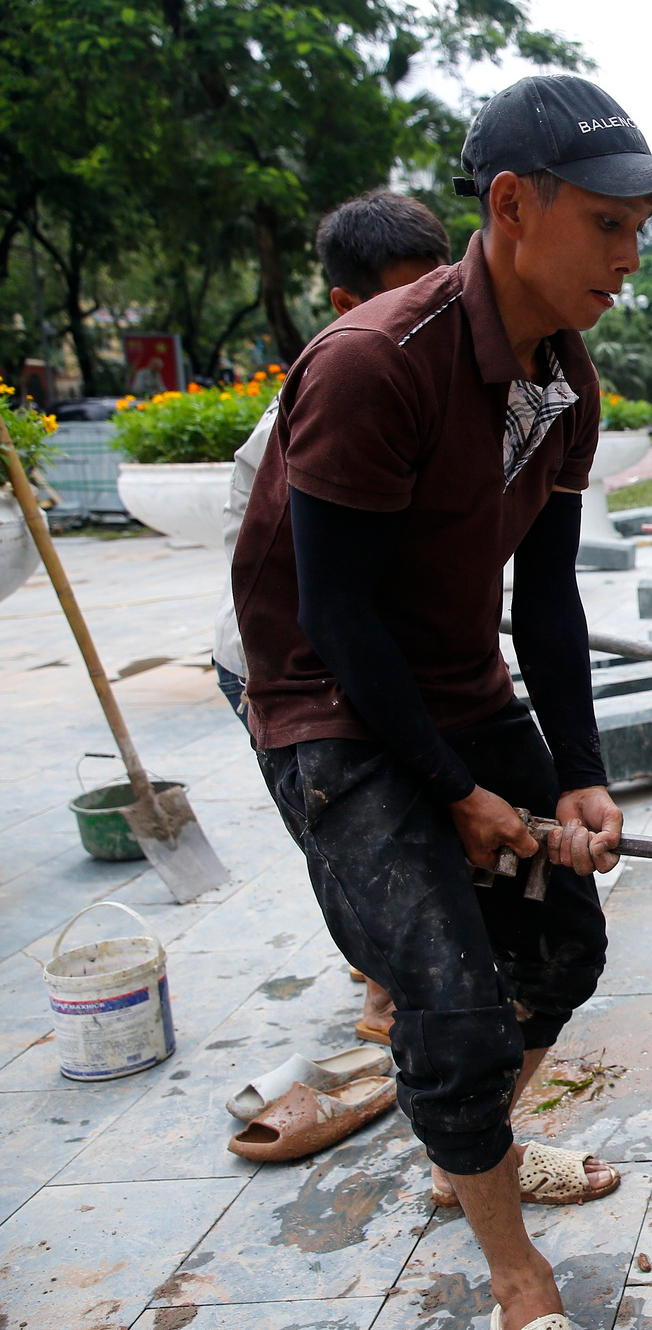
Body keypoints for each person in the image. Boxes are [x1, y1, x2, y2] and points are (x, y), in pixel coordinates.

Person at [231, 75, 652, 1330]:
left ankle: (468, 1146)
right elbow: (332, 621)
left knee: (566, 945)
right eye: (610, 222)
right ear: (512, 204)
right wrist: (455, 795)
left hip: (454, 682)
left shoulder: (566, 378)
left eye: (640, 225)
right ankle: (515, 1272)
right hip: (326, 704)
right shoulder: (369, 364)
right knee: (447, 995)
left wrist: (578, 770)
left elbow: (545, 598)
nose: (633, 248)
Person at [214, 190, 451, 1047]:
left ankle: (407, 978)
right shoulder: (326, 396)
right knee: (356, 835)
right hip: (281, 663)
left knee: (413, 818)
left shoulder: (427, 377)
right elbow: (277, 570)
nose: (430, 316)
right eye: (403, 298)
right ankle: (389, 993)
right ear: (348, 305)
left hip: (361, 643)